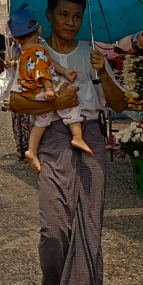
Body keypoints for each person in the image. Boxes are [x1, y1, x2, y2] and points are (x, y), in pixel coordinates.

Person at [9, 0, 125, 285]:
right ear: (49, 16)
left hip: (90, 135)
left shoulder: (91, 54)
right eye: (63, 15)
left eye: (77, 16)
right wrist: (54, 103)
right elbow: (15, 102)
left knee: (89, 227)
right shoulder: (35, 53)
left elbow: (119, 104)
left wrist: (102, 73)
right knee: (54, 227)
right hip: (52, 136)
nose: (71, 22)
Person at [11, 10, 92, 172]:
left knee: (41, 121)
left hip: (29, 92)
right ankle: (77, 136)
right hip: (42, 89)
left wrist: (64, 71)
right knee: (70, 106)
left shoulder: (24, 53)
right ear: (39, 29)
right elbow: (43, 71)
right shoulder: (38, 51)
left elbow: (50, 62)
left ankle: (31, 150)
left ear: (16, 39)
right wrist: (49, 89)